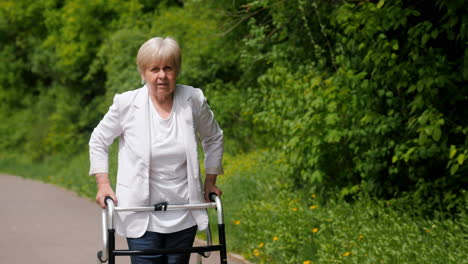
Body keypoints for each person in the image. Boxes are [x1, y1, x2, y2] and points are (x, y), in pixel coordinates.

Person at [88, 36, 224, 264]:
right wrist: (103, 185)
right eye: (154, 69)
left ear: (176, 71)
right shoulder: (126, 103)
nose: (162, 75)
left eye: (168, 68)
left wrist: (210, 180)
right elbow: (99, 140)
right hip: (141, 212)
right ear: (143, 73)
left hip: (184, 209)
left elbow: (214, 137)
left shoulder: (193, 99)